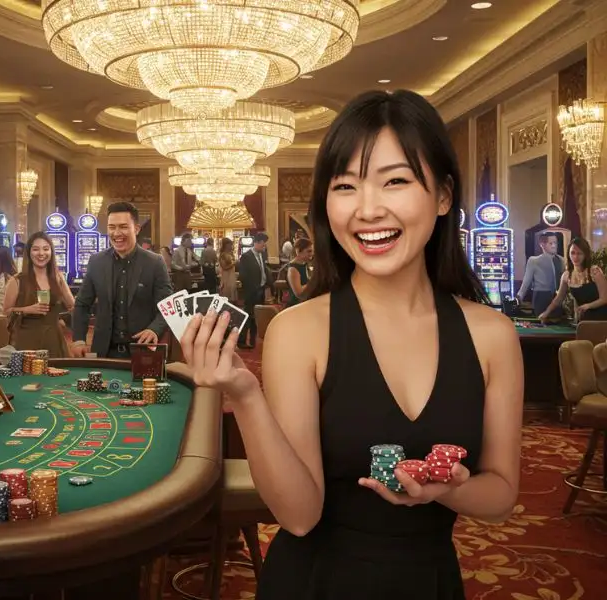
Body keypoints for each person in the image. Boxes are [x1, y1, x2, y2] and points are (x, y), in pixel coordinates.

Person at [179, 90, 522, 600]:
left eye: (396, 181)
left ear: (444, 195)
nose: (367, 210)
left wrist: (449, 489)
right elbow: (298, 516)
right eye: (345, 186)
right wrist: (246, 395)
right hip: (315, 581)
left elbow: (501, 495)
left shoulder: (492, 334)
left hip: (429, 581)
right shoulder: (299, 330)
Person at [71, 201, 173, 359]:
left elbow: (168, 307)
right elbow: (82, 304)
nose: (117, 233)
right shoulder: (96, 262)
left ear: (136, 229)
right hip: (104, 352)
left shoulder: (155, 263)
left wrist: (154, 329)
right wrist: (78, 340)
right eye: (112, 227)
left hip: (143, 351)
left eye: (123, 227)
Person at [2, 232, 75, 358]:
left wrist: (61, 280)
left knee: (56, 375)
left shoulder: (57, 278)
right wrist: (26, 310)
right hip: (27, 341)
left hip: (54, 340)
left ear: (51, 252)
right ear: (29, 253)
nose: (41, 253)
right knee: (29, 377)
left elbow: (72, 306)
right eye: (36, 249)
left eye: (46, 249)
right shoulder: (17, 280)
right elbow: (5, 312)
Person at [539, 237, 607, 322]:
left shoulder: (594, 271)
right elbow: (559, 298)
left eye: (579, 253)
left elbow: (605, 298)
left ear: (585, 255)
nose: (575, 257)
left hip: (602, 318)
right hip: (584, 320)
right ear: (568, 254)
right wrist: (546, 312)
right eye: (573, 253)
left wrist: (588, 306)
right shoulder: (567, 275)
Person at [516, 232, 564, 317]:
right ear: (542, 244)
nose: (554, 246)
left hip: (558, 298)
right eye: (551, 243)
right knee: (541, 322)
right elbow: (526, 283)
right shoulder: (534, 261)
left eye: (555, 243)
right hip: (541, 297)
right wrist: (518, 298)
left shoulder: (561, 260)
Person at [237, 232, 270, 349]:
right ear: (256, 243)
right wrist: (253, 289)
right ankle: (241, 341)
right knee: (247, 317)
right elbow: (243, 276)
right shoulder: (246, 256)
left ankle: (252, 341)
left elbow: (263, 270)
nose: (264, 247)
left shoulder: (262, 254)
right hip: (251, 292)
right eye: (263, 244)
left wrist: (266, 285)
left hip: (260, 290)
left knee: (256, 317)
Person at [285, 238, 313, 307]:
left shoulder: (304, 264)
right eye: (309, 251)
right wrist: (313, 282)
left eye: (312, 251)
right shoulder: (293, 269)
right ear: (298, 251)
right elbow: (299, 293)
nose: (312, 254)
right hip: (295, 305)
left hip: (304, 303)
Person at [218, 237, 237, 302]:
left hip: (231, 276)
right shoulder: (223, 255)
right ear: (226, 245)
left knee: (232, 295)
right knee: (227, 296)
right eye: (230, 244)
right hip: (226, 277)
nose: (231, 246)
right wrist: (234, 263)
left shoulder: (230, 254)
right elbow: (224, 267)